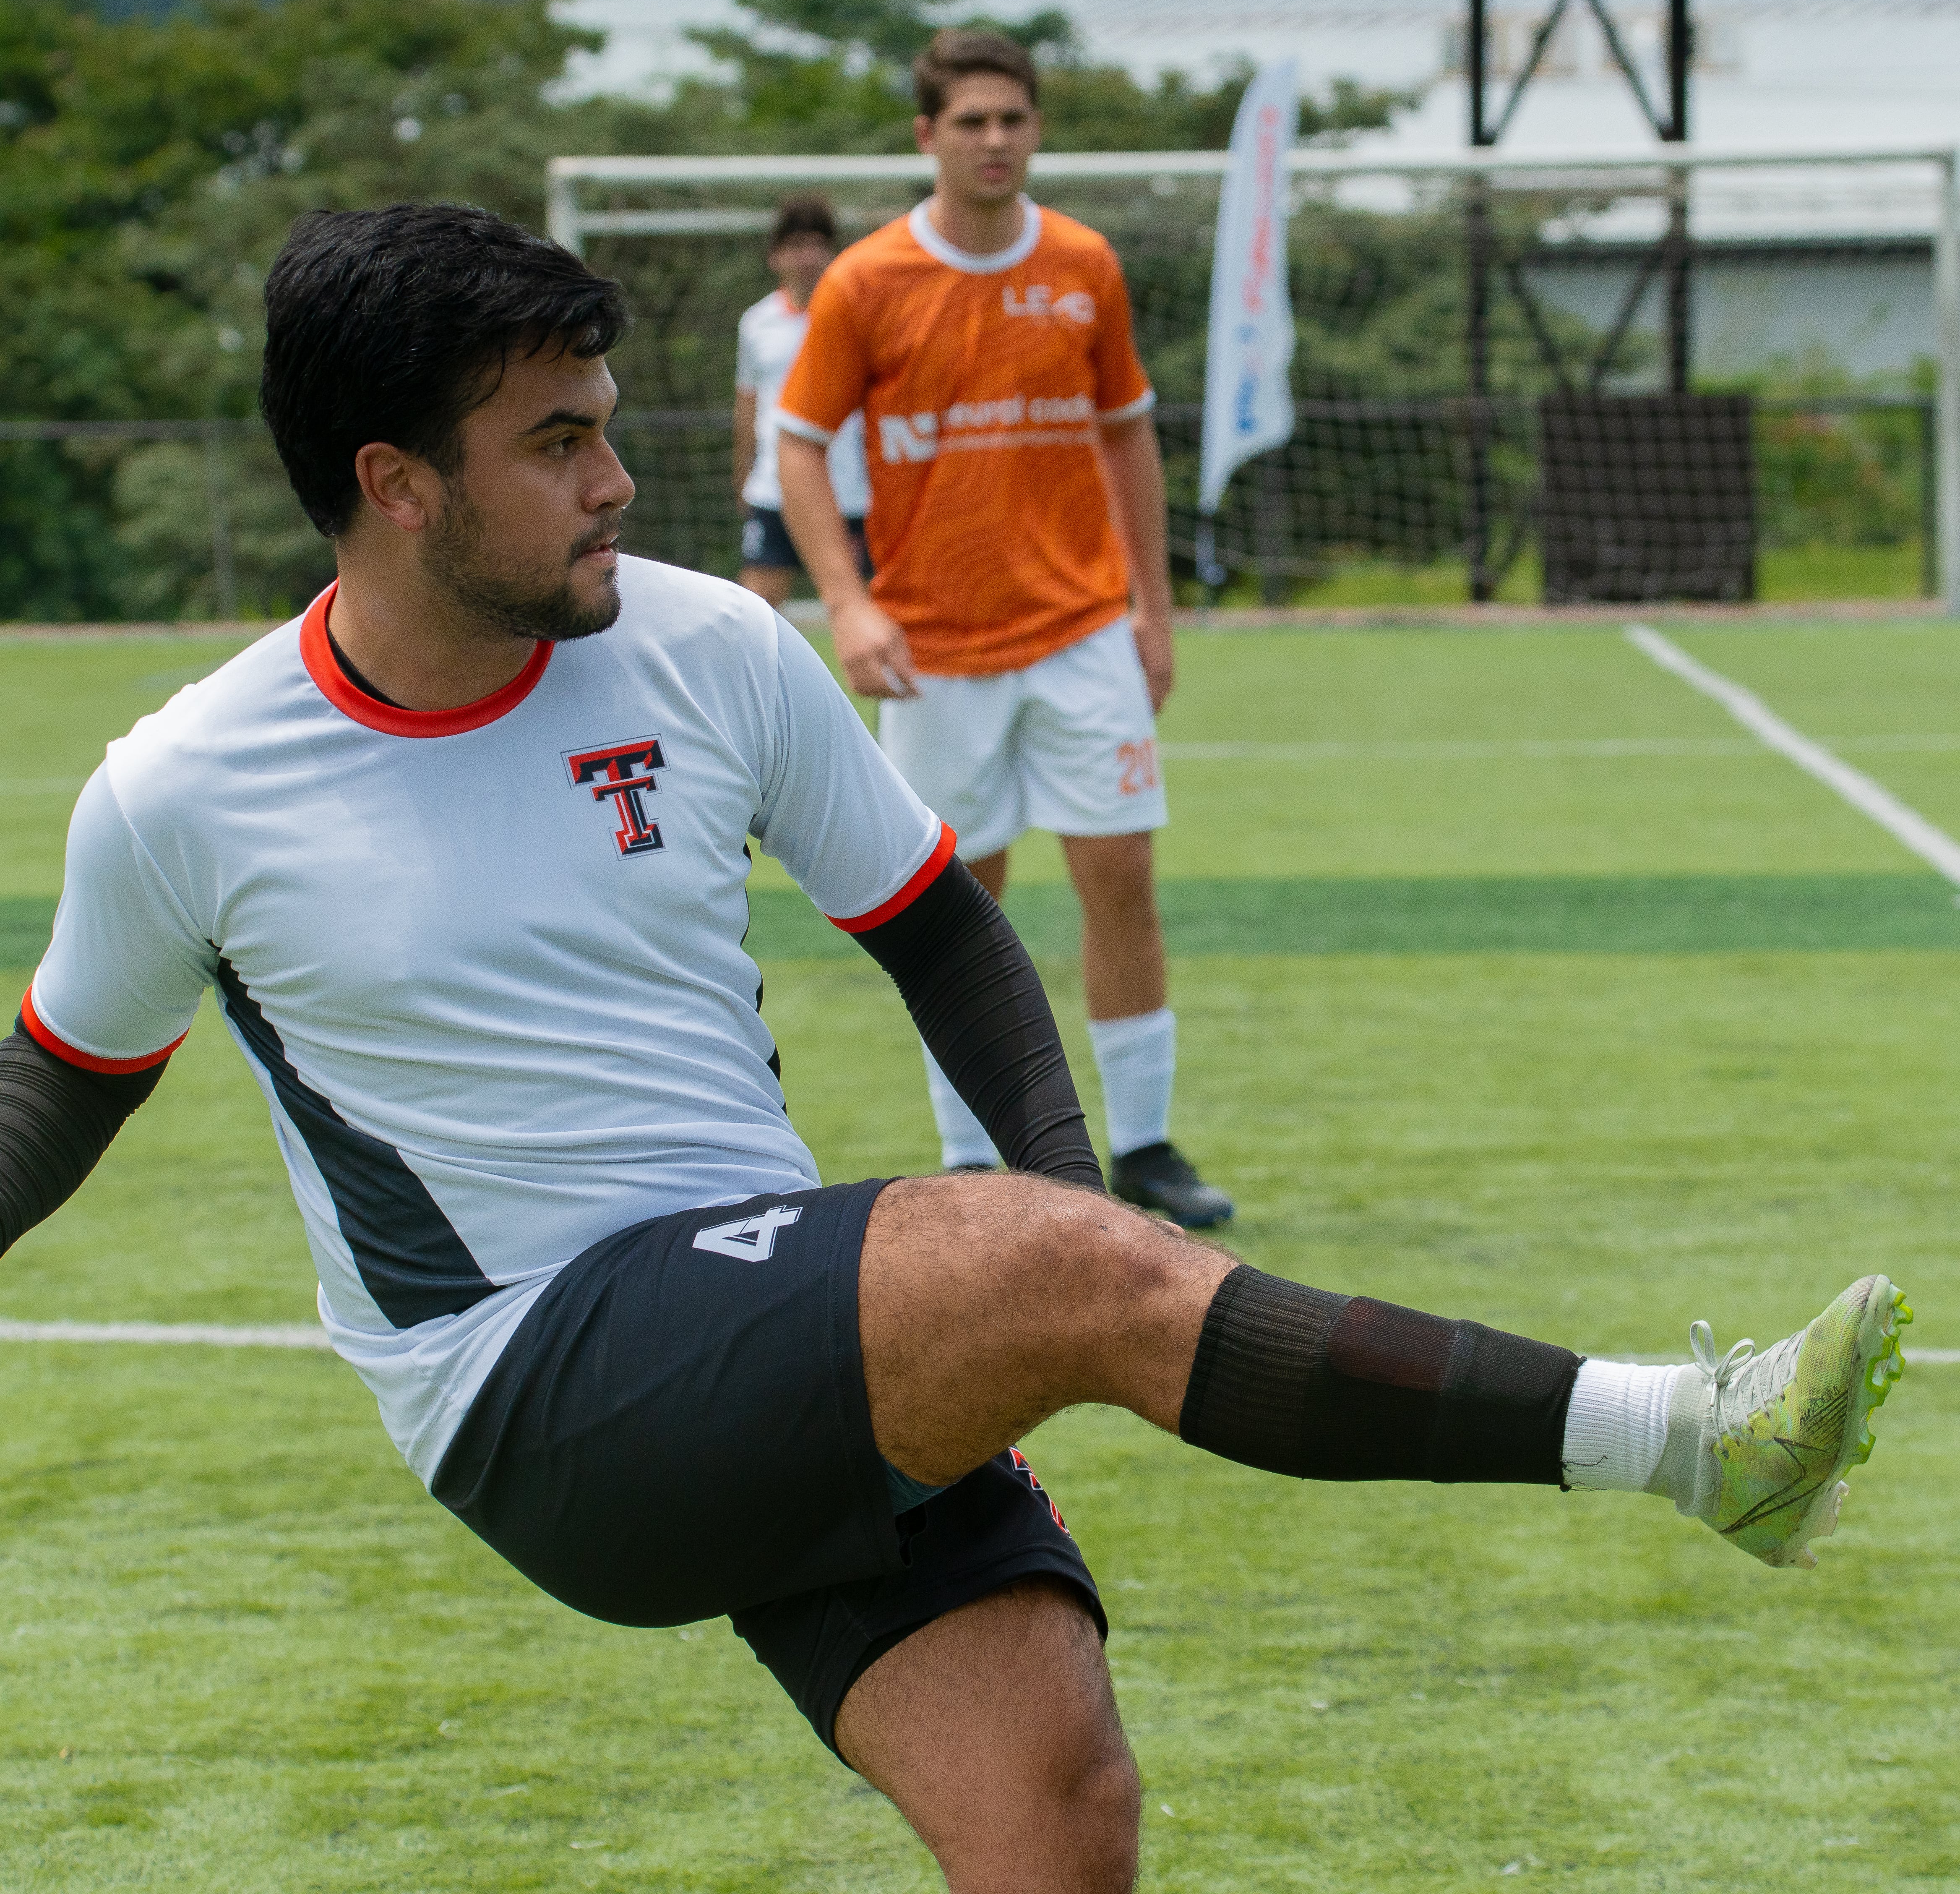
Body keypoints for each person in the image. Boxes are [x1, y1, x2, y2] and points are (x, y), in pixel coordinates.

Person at [0, 203, 1910, 1894]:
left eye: (606, 424)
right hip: (530, 1378)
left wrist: (1082, 1242)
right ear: (395, 484)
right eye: (555, 442)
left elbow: (937, 929)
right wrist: (1068, 1266)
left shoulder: (711, 650)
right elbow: (55, 1091)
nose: (618, 484)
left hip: (768, 1313)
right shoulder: (186, 789)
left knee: (1057, 1807)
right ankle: (1689, 1437)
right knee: (1031, 1265)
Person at [775, 30, 1232, 1229]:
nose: (994, 140)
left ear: (1036, 129)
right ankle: (973, 1158)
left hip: (1083, 628)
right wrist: (851, 599)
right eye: (970, 121)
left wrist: (1153, 602)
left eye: (1012, 120)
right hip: (934, 651)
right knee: (956, 902)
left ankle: (1147, 1146)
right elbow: (799, 446)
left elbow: (1126, 429)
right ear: (927, 135)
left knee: (1121, 876)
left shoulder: (1084, 263)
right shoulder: (868, 281)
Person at [732, 196, 870, 608]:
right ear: (776, 256)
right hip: (775, 489)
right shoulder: (757, 322)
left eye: (816, 244)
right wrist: (742, 474)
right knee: (755, 610)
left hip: (853, 492)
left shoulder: (860, 316)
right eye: (795, 245)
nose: (807, 256)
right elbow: (748, 403)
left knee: (870, 611)